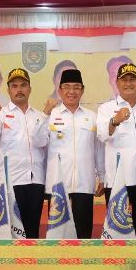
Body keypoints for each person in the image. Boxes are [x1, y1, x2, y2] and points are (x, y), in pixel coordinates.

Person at [0, 68, 52, 239]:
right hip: (8, 183)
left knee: (32, 233)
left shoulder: (39, 115)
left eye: (23, 85)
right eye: (14, 86)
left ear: (30, 89)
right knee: (9, 235)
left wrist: (44, 116)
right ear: (8, 90)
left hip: (35, 181)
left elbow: (42, 142)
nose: (19, 90)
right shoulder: (0, 114)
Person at [97, 63, 136, 239]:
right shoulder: (106, 108)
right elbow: (102, 135)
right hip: (117, 181)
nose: (128, 83)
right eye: (124, 80)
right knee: (117, 233)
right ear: (117, 83)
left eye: (133, 79)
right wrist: (115, 120)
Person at [45, 69, 104, 239]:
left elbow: (98, 149)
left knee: (83, 233)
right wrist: (44, 113)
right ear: (60, 90)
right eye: (67, 87)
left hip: (84, 183)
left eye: (76, 87)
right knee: (57, 234)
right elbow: (40, 143)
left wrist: (102, 176)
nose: (72, 91)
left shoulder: (92, 117)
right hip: (57, 183)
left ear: (82, 90)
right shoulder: (50, 115)